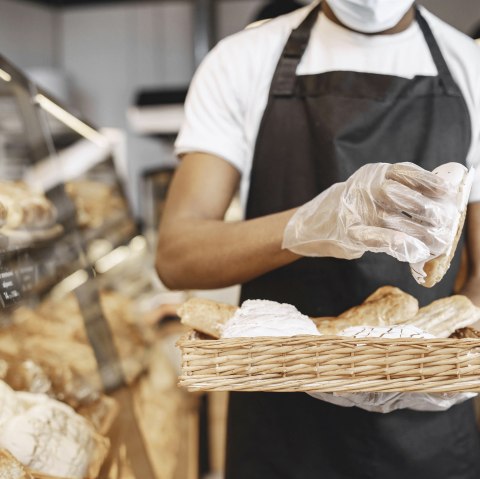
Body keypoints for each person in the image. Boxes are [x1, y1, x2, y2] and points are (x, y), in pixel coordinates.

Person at [156, 1, 480, 477]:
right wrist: (308, 225)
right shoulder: (243, 61)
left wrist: (452, 364)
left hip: (425, 427)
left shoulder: (470, 68)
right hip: (280, 419)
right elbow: (177, 255)